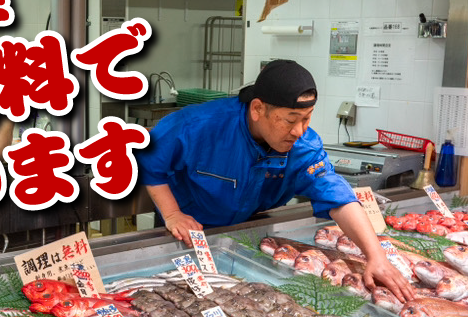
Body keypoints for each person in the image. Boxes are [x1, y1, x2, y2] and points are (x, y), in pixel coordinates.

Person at [137, 59, 413, 302]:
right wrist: (172, 213)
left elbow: (337, 197)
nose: (298, 130)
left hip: (246, 231)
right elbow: (150, 161)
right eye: (289, 120)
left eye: (306, 119)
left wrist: (375, 256)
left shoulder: (304, 146)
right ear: (258, 109)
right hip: (188, 230)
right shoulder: (197, 125)